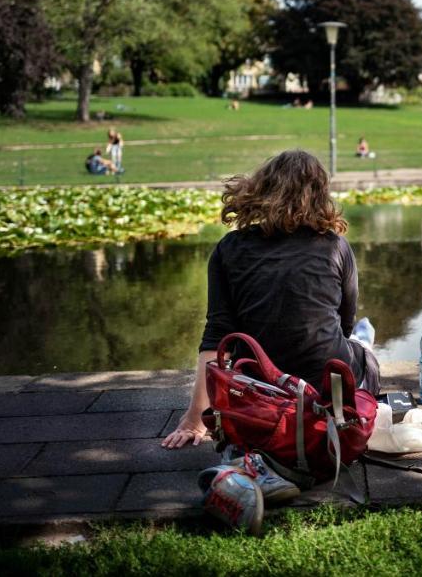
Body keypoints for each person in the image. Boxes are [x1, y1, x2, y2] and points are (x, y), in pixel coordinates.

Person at [162, 150, 381, 449]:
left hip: (256, 382)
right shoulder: (335, 246)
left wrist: (194, 420)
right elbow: (344, 323)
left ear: (262, 188)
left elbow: (217, 335)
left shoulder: (229, 248)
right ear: (320, 195)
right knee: (363, 352)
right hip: (324, 379)